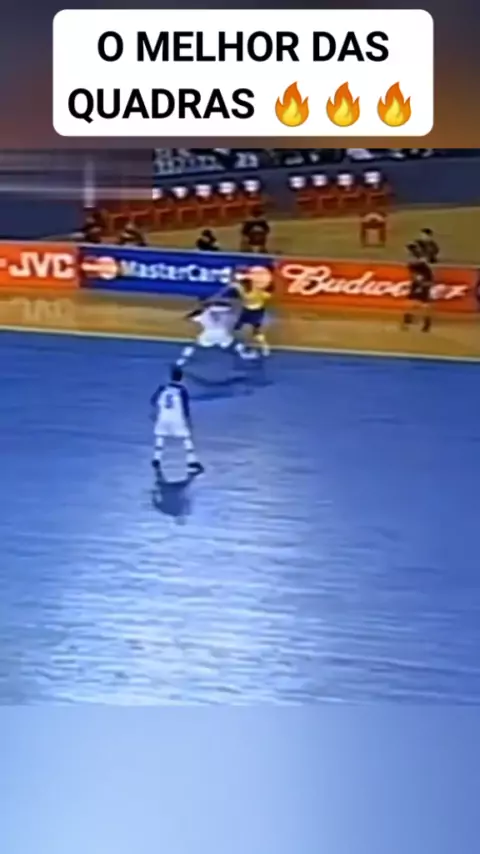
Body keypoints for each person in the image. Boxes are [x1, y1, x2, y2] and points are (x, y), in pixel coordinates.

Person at [150, 366, 204, 479]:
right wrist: (188, 421)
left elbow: (153, 401)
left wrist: (156, 412)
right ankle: (191, 461)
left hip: (163, 417)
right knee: (186, 438)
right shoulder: (182, 391)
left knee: (160, 436)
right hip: (176, 419)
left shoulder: (163, 388)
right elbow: (185, 408)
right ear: (182, 378)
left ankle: (156, 458)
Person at [175, 298, 256, 368]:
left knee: (195, 345)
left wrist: (189, 317)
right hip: (223, 333)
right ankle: (244, 353)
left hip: (210, 333)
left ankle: (183, 359)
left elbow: (191, 317)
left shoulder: (204, 313)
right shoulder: (231, 311)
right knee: (235, 342)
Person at [230, 271, 273, 356]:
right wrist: (239, 276)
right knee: (237, 328)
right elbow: (233, 283)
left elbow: (268, 294)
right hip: (248, 311)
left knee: (255, 331)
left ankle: (265, 347)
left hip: (256, 312)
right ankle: (241, 344)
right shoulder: (242, 288)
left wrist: (242, 277)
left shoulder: (256, 290)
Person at [403, 242, 434, 332]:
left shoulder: (416, 261)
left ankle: (426, 323)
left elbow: (419, 268)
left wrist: (422, 283)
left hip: (422, 282)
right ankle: (409, 321)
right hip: (419, 282)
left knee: (423, 304)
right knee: (413, 302)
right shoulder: (416, 260)